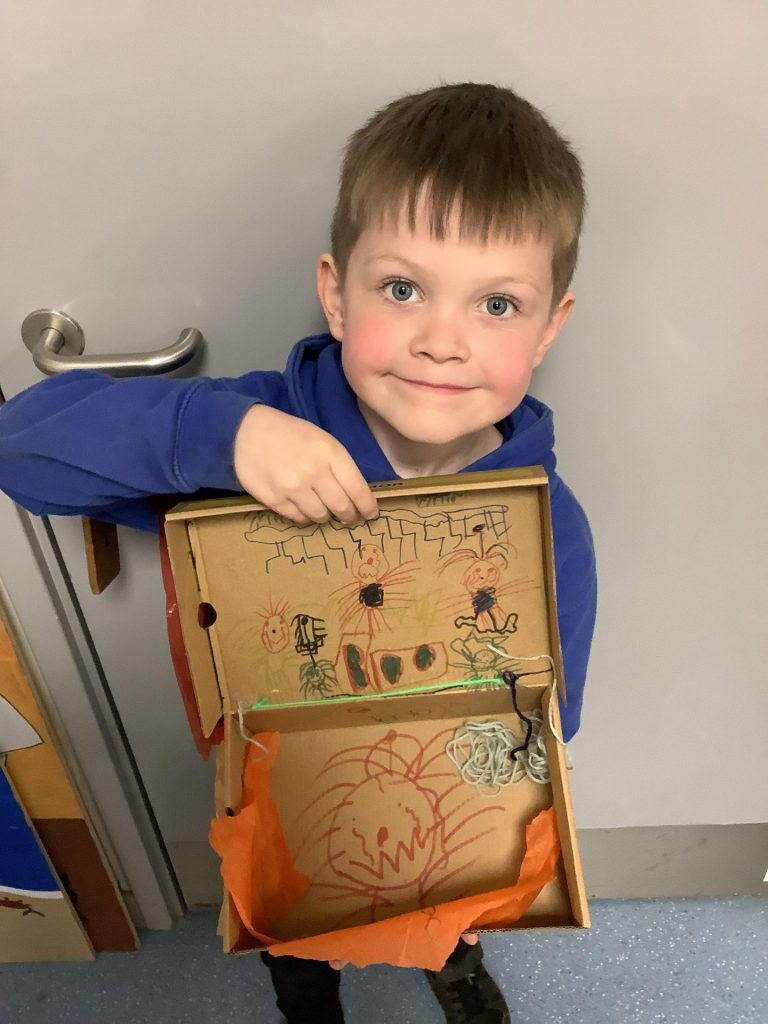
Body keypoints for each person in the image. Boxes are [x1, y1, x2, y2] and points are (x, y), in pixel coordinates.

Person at [0, 82, 597, 1024]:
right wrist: (225, 437)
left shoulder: (548, 519)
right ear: (335, 293)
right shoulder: (257, 439)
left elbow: (552, 716)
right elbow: (21, 453)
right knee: (291, 918)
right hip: (283, 796)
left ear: (550, 327)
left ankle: (455, 967)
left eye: (496, 304)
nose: (442, 342)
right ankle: (308, 999)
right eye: (402, 289)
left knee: (452, 896)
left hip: (447, 801)